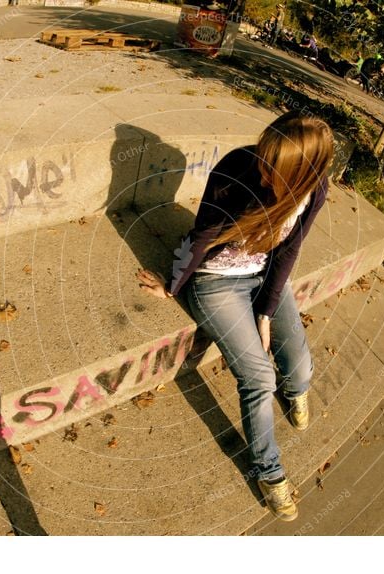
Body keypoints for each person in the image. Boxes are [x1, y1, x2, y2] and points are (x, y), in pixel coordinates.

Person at [137, 112, 334, 521]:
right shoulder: (239, 171)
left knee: (297, 366)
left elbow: (289, 251)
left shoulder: (313, 191)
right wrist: (173, 286)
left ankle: (294, 392)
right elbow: (205, 234)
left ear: (299, 174)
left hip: (262, 275)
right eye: (266, 150)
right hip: (216, 281)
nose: (261, 162)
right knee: (259, 376)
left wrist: (265, 312)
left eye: (272, 162)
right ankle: (270, 472)